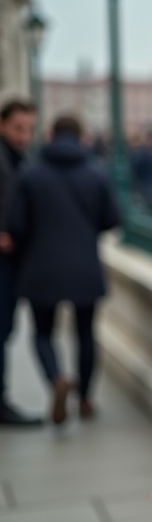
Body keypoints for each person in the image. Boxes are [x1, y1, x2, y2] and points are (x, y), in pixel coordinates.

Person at [7, 115, 119, 424]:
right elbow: (112, 219)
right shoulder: (96, 172)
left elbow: (16, 224)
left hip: (40, 267)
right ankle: (84, 400)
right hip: (84, 265)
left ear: (50, 135)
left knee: (43, 332)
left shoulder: (30, 174)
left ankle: (57, 380)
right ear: (82, 135)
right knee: (85, 333)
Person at [0, 99, 39, 425]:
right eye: (18, 128)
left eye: (29, 129)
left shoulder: (17, 157)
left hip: (11, 259)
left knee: (5, 329)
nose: (25, 135)